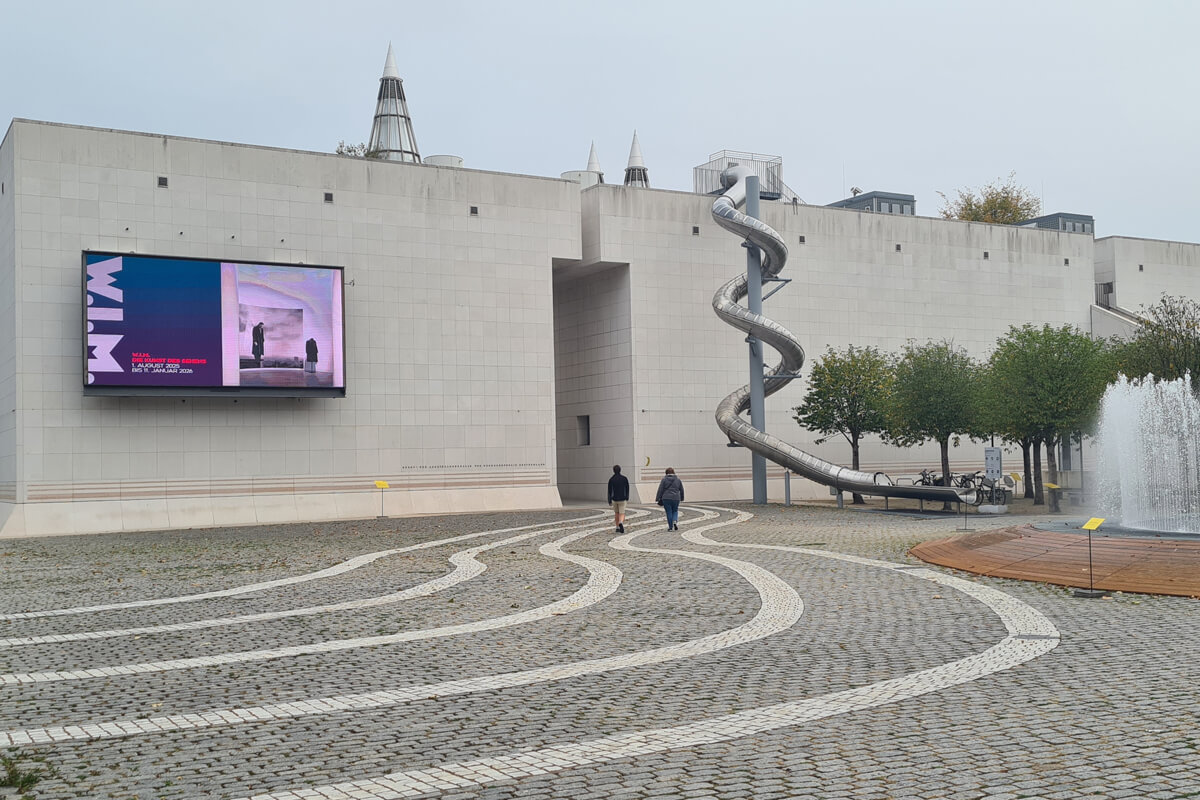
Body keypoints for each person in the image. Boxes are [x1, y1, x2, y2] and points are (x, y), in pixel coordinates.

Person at [607, 465, 629, 533]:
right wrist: (627, 496)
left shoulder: (611, 479)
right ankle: (621, 522)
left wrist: (609, 500)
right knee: (622, 513)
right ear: (620, 470)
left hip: (614, 499)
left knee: (616, 513)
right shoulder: (624, 478)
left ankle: (617, 527)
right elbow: (627, 488)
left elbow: (609, 490)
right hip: (622, 498)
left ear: (613, 470)